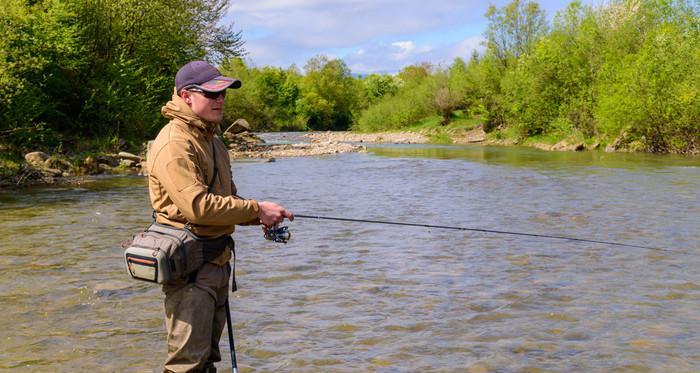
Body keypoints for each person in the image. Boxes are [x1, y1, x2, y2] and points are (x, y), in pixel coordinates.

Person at [147, 60, 294, 373]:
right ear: (186, 96)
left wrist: (261, 216)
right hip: (189, 271)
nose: (221, 99)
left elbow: (226, 201)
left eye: (224, 93)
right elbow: (197, 207)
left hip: (216, 264)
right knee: (186, 365)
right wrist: (257, 208)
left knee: (207, 361)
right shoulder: (174, 143)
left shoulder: (213, 141)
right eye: (212, 94)